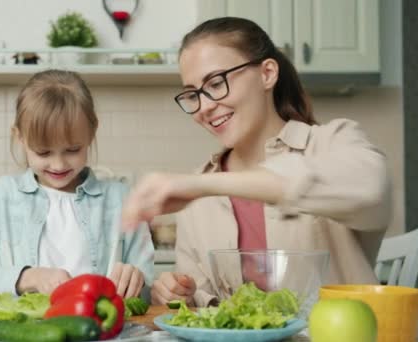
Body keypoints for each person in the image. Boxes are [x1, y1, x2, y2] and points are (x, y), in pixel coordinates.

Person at [122, 17, 392, 307]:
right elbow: (203, 298)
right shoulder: (196, 195)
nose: (205, 106)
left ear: (267, 73)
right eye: (193, 94)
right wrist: (181, 293)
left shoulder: (333, 142)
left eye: (215, 82)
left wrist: (200, 185)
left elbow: (372, 191)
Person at [0, 70, 154, 298]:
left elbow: (148, 293)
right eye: (43, 152)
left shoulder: (122, 199)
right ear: (20, 137)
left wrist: (138, 282)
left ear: (92, 132)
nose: (58, 164)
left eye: (72, 150)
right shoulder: (2, 196)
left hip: (101, 333)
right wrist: (28, 277)